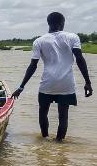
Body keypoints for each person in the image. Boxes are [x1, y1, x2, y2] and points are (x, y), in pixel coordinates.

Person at [12, 12, 92, 141]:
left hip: (47, 83)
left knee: (43, 112)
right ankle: (59, 143)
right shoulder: (73, 37)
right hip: (66, 83)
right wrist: (88, 82)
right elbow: (80, 59)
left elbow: (33, 65)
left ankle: (44, 139)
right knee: (63, 116)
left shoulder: (39, 41)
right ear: (62, 23)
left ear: (48, 23)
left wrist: (21, 87)